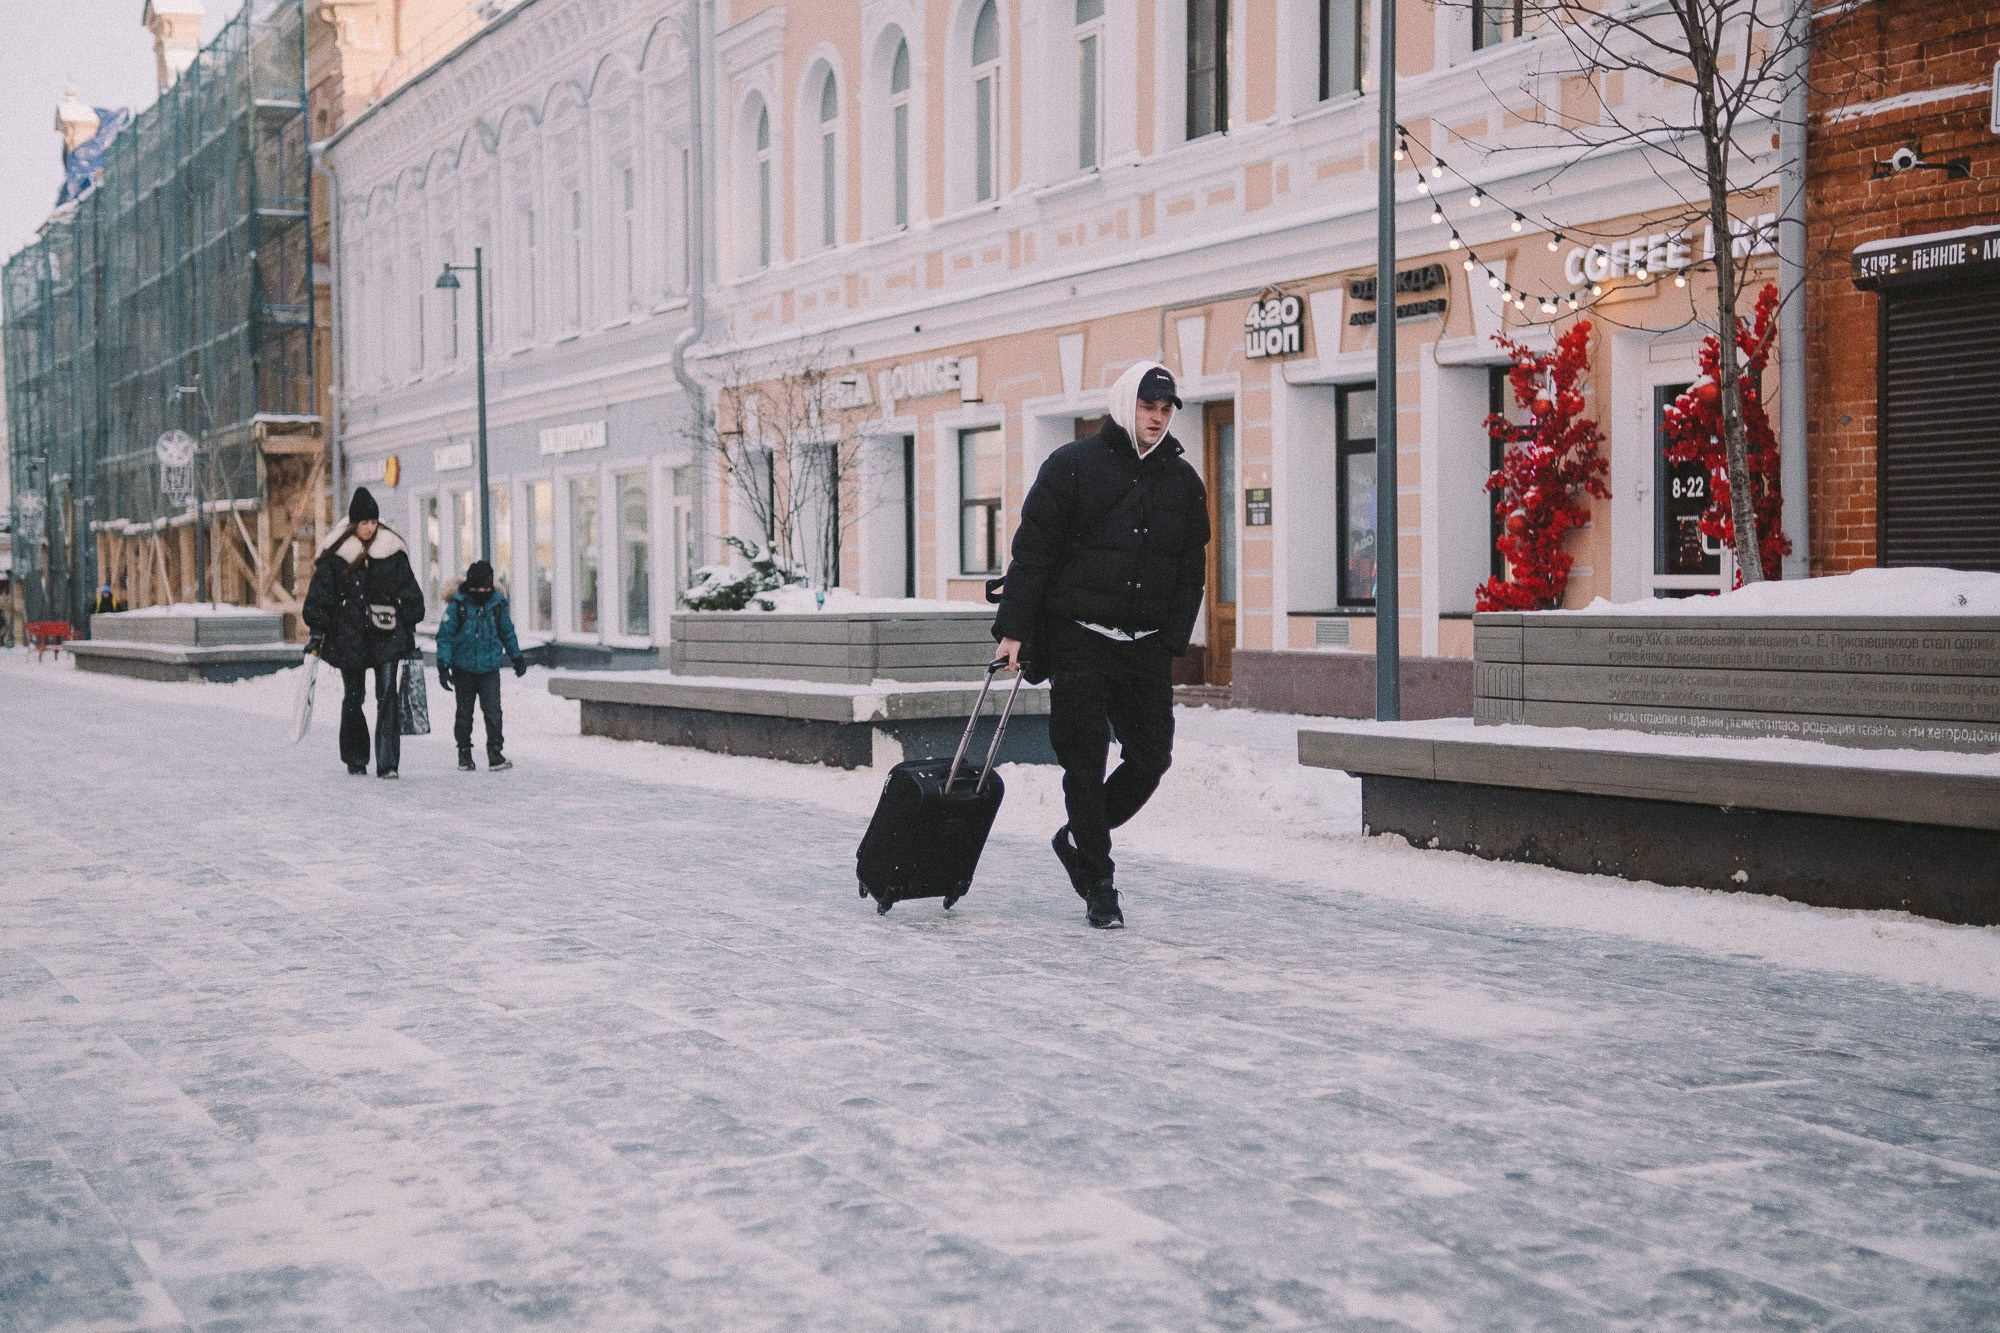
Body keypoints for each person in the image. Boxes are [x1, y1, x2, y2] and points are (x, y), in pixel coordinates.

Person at [992, 361, 1209, 929]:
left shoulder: (1183, 482)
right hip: (1081, 642)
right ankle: (1100, 883)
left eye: (1165, 411)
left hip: (1143, 649)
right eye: (1148, 408)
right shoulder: (1072, 466)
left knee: (1151, 759)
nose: (1158, 419)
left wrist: (1172, 637)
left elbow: (1192, 567)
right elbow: (1033, 552)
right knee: (1084, 767)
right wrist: (1013, 631)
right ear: (1124, 406)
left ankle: (1077, 839)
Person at [302, 487, 425, 778]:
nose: (369, 527)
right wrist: (318, 632)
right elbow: (320, 597)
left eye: (373, 522)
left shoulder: (391, 551)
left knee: (387, 696)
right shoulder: (335, 555)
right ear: (354, 523)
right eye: (363, 522)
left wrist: (408, 626)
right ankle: (356, 758)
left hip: (386, 635)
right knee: (354, 697)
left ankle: (388, 763)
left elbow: (410, 594)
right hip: (350, 637)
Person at [434, 558, 526, 772]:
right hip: (463, 668)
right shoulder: (458, 606)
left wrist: (517, 657)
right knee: (464, 712)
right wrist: (443, 664)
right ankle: (464, 753)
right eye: (477, 587)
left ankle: (495, 751)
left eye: (486, 587)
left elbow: (507, 632)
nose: (481, 591)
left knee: (493, 711)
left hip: (489, 668)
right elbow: (445, 636)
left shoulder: (497, 605)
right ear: (469, 585)